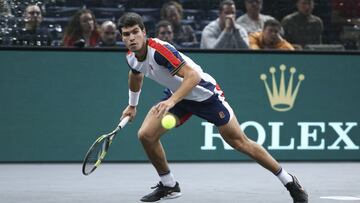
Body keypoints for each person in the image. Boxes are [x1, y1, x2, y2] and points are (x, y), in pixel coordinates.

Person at [117, 12, 307, 202]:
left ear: (144, 32)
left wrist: (171, 101)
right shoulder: (131, 57)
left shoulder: (159, 51)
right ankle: (169, 185)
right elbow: (136, 75)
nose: (132, 38)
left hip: (205, 95)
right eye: (126, 34)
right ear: (122, 37)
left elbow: (193, 76)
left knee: (239, 142)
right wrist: (132, 105)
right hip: (178, 97)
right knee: (146, 135)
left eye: (135, 32)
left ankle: (289, 181)